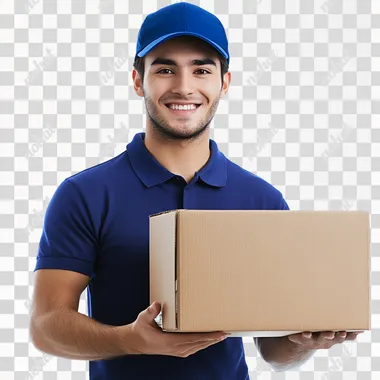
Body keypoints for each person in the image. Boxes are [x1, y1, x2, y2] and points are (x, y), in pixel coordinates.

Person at [29, 2, 363, 379]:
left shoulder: (262, 200)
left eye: (201, 69)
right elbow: (46, 327)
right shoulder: (85, 194)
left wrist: (304, 342)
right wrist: (131, 340)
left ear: (224, 82)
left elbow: (273, 351)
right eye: (165, 69)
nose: (184, 86)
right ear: (138, 81)